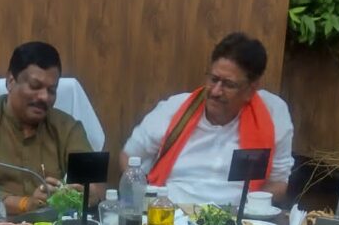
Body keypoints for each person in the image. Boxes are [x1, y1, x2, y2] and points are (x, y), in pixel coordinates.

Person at [120, 33, 294, 206]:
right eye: (213, 79)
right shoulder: (174, 109)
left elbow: (278, 184)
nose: (216, 91)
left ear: (250, 90)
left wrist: (250, 210)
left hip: (236, 217)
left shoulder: (272, 114)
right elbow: (129, 156)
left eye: (228, 85)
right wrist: (143, 201)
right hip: (170, 212)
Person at [0, 41, 102, 215]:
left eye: (52, 90)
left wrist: (89, 194)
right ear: (10, 81)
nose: (44, 97)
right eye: (35, 86)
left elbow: (96, 184)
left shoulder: (67, 126)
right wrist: (24, 204)